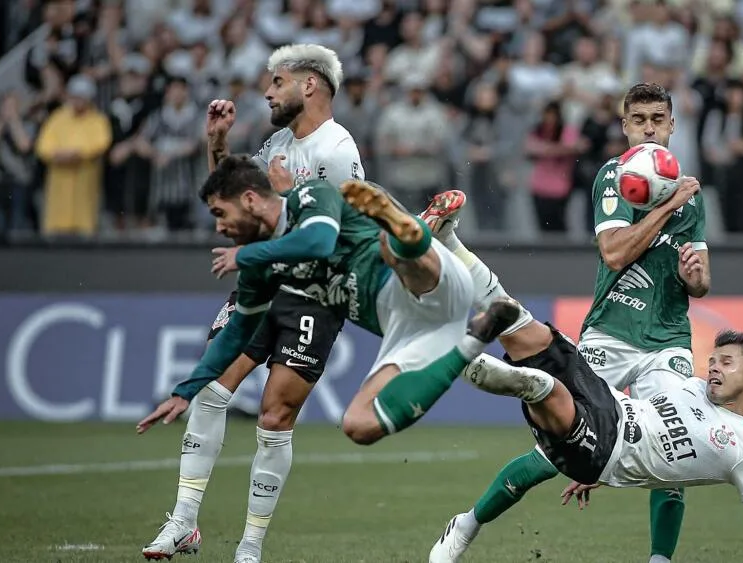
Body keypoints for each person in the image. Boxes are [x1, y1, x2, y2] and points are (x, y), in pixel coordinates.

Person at [143, 156, 518, 562]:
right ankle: (471, 340)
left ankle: (413, 227)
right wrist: (187, 389)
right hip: (406, 332)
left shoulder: (315, 192)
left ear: (250, 199)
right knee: (358, 425)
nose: (218, 227)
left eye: (220, 214)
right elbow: (237, 332)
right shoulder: (262, 261)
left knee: (392, 250)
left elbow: (319, 243)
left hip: (426, 285)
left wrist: (248, 256)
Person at [423, 82, 709, 563]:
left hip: (668, 339)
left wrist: (695, 277)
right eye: (639, 119)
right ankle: (466, 526)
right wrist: (667, 205)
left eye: (658, 119)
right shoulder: (616, 178)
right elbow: (614, 252)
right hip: (611, 334)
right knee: (557, 448)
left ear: (672, 124)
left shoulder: (689, 193)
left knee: (676, 451)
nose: (649, 128)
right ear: (624, 126)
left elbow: (701, 282)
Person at [140, 44, 364, 562]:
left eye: (278, 82)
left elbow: (338, 237)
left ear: (310, 85)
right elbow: (238, 200)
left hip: (315, 295)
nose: (268, 92)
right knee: (212, 391)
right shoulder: (277, 143)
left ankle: (249, 546)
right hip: (264, 286)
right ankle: (183, 523)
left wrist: (286, 207)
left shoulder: (337, 151)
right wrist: (217, 145)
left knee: (274, 417)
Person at [449, 318, 743, 563]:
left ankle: (502, 375)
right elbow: (653, 430)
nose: (714, 367)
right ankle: (475, 290)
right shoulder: (692, 387)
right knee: (540, 338)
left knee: (548, 393)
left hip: (604, 448)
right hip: (608, 402)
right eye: (712, 360)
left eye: (726, 363)